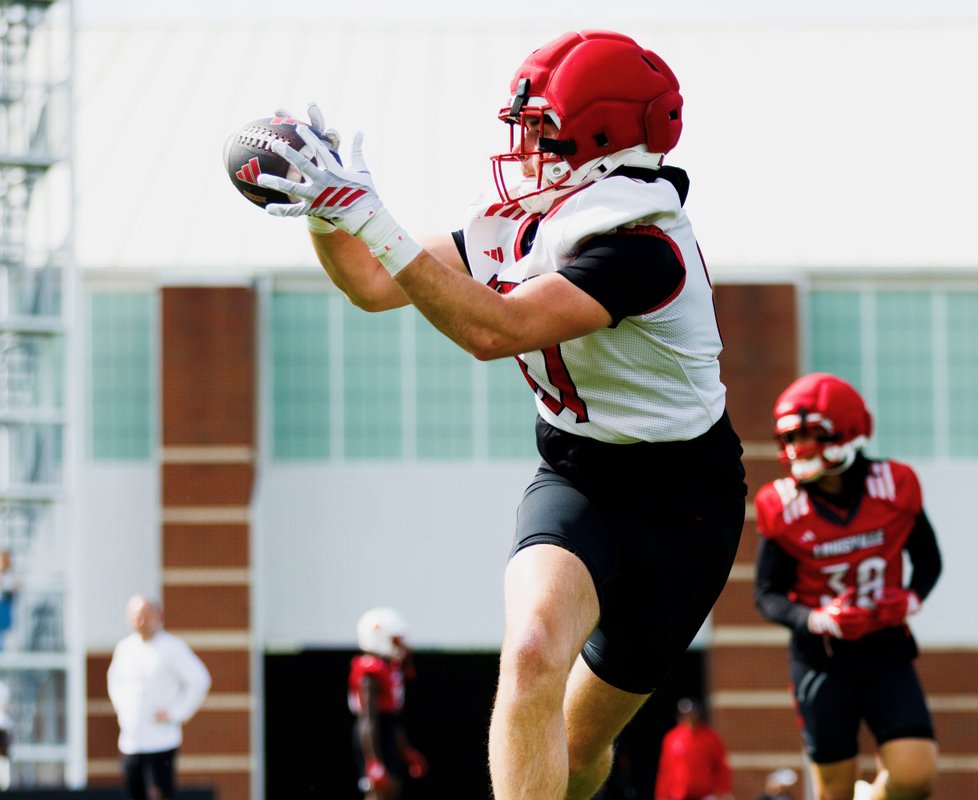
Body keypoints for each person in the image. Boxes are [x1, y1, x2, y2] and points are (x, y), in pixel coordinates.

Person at [251, 29, 747, 800]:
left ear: (603, 139)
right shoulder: (527, 223)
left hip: (685, 509)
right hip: (580, 476)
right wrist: (326, 209)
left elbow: (496, 330)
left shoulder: (644, 248)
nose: (526, 148)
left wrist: (370, 217)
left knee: (579, 753)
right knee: (532, 651)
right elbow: (372, 284)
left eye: (543, 130)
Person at [752, 373, 943, 800]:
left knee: (917, 778)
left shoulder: (893, 486)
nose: (797, 447)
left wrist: (910, 599)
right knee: (833, 792)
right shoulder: (783, 505)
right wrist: (818, 619)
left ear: (847, 429)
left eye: (809, 433)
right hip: (822, 660)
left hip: (885, 648)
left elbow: (929, 561)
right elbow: (766, 595)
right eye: (790, 436)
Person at [106, 595, 211, 800]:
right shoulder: (124, 649)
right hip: (131, 742)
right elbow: (114, 682)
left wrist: (175, 713)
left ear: (157, 616)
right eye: (135, 616)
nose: (140, 621)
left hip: (161, 742)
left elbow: (200, 681)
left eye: (145, 615)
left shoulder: (172, 648)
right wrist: (123, 710)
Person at [349, 607, 428, 799]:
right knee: (378, 793)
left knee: (392, 789)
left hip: (386, 732)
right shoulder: (370, 672)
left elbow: (391, 718)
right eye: (395, 640)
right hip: (374, 738)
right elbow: (368, 720)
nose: (401, 646)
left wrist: (405, 750)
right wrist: (373, 761)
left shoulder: (389, 668)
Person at [653, 699, 733, 800]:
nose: (689, 718)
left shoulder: (710, 737)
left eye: (692, 714)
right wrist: (662, 794)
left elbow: (721, 765)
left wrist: (722, 790)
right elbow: (665, 769)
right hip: (679, 795)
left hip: (705, 794)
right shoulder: (672, 737)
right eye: (685, 714)